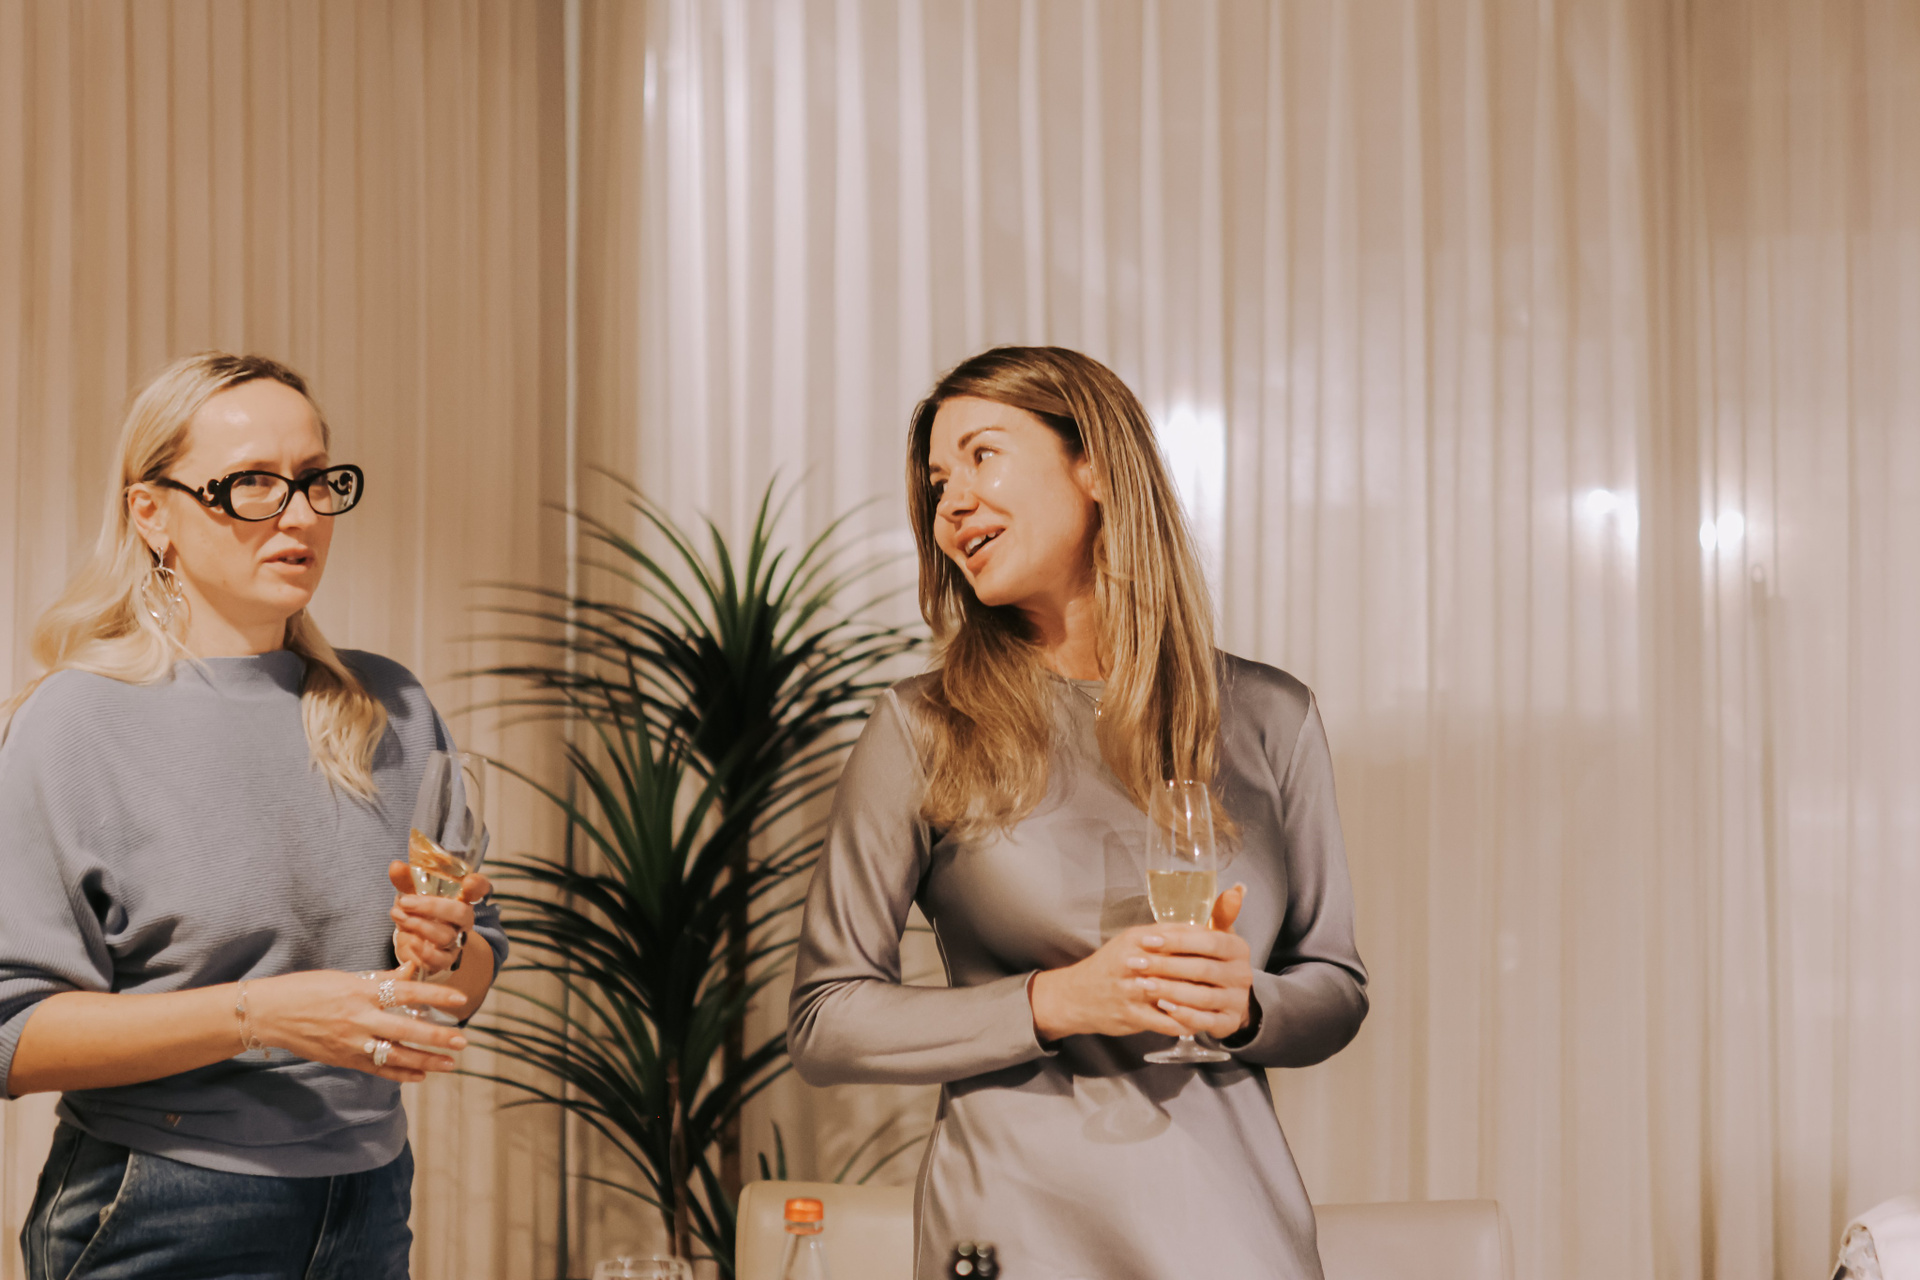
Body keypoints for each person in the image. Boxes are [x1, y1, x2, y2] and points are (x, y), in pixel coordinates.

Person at [788, 347, 1368, 1279]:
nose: (951, 505)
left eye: (982, 456)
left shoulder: (1271, 716)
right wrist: (1056, 1000)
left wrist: (1248, 1005)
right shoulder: (922, 727)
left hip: (1234, 1236)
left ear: (1094, 466)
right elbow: (827, 1018)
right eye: (936, 484)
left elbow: (1335, 986)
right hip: (1015, 1238)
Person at [0, 353, 505, 1280]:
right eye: (253, 485)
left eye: (315, 480)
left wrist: (442, 952)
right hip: (161, 1205)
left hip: (371, 1199)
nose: (300, 515)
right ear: (151, 513)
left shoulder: (392, 706)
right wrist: (257, 1016)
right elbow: (12, 1033)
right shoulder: (76, 720)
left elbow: (471, 969)